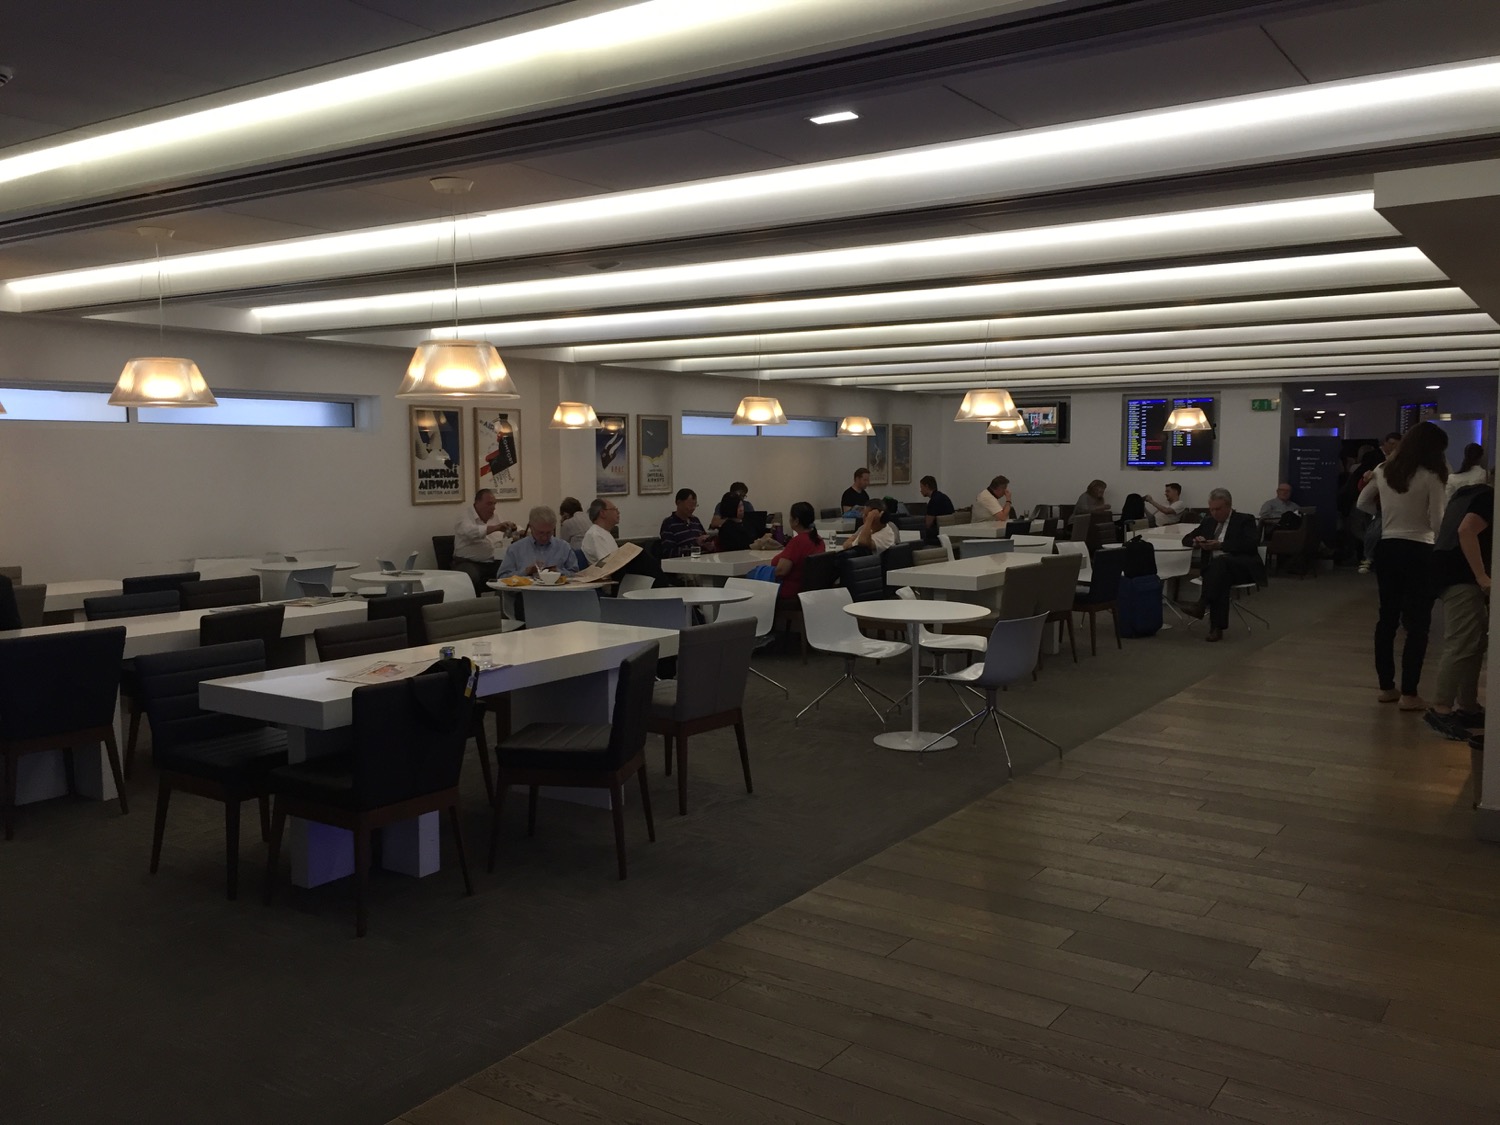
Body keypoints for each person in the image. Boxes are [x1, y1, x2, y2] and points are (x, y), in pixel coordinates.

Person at [1358, 421, 1448, 709]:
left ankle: (1387, 687)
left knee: (1387, 618)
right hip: (1420, 549)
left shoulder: (1384, 471)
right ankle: (1410, 693)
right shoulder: (1431, 475)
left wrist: (1386, 518)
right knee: (1418, 624)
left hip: (1388, 547)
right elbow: (1437, 520)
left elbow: (1362, 503)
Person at [1425, 480, 1492, 740]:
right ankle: (1441, 708)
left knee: (1472, 642)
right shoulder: (1488, 499)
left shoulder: (1470, 493)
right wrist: (1482, 577)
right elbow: (1467, 531)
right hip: (1461, 576)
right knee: (1462, 642)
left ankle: (1468, 706)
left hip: (1446, 570)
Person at [1178, 487, 1266, 643]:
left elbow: (1250, 544)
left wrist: (1221, 546)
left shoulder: (1245, 520)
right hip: (1216, 570)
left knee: (1221, 563)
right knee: (1220, 575)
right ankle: (1215, 628)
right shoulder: (1208, 521)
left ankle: (1202, 605)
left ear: (1228, 506)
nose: (1214, 513)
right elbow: (1186, 539)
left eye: (1218, 509)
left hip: (1242, 567)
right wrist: (1196, 542)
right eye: (1211, 509)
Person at [1355, 432, 1403, 574]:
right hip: (1382, 504)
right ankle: (1368, 557)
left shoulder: (1388, 466)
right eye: (1392, 444)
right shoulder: (1377, 463)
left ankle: (1370, 558)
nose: (1395, 447)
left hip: (1390, 505)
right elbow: (1365, 487)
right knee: (1375, 529)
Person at [452, 487, 517, 592]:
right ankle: (474, 606)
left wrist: (516, 530)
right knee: (470, 576)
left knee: (511, 573)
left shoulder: (495, 516)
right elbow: (470, 532)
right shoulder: (464, 516)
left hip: (493, 561)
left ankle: (501, 603)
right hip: (468, 562)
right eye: (489, 504)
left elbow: (509, 528)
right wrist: (496, 528)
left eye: (494, 504)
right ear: (477, 503)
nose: (493, 507)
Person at [496, 505, 580, 578]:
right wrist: (525, 572)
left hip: (558, 594)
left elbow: (576, 575)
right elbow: (502, 577)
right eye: (540, 532)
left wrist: (559, 572)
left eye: (549, 532)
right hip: (525, 594)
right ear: (531, 527)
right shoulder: (515, 549)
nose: (544, 537)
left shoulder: (564, 547)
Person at [772, 502, 826, 601]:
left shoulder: (797, 542)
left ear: (796, 521)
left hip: (790, 593)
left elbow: (781, 570)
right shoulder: (819, 540)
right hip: (810, 593)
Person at [659, 488, 708, 558]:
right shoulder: (669, 524)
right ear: (678, 503)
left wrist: (708, 545)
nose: (692, 508)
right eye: (689, 505)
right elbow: (669, 552)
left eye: (695, 505)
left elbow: (703, 541)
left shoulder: (695, 520)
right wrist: (695, 544)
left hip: (701, 560)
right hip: (682, 563)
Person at [581, 497, 621, 565]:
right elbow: (608, 564)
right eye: (614, 509)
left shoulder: (604, 532)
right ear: (603, 513)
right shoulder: (595, 535)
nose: (618, 512)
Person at [918, 475, 954, 542]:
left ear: (927, 486)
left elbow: (928, 524)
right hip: (949, 535)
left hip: (937, 537)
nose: (920, 490)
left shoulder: (933, 501)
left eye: (921, 487)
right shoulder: (944, 497)